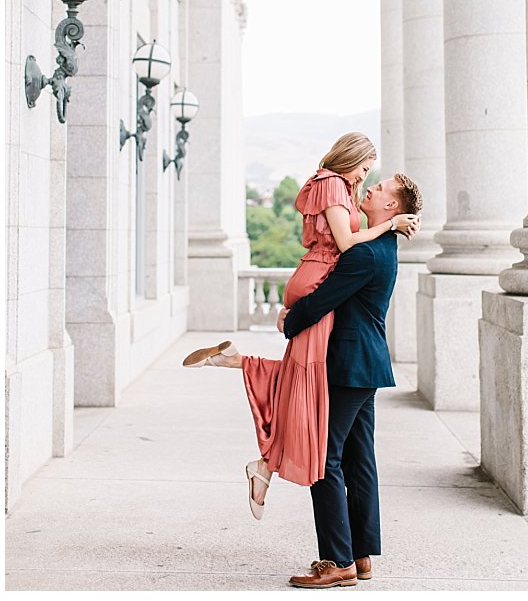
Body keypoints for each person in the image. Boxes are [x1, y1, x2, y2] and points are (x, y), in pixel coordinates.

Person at [181, 134, 418, 518]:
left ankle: (239, 377)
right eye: (363, 169)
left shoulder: (340, 193)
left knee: (300, 382)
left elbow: (346, 247)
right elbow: (345, 243)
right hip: (323, 288)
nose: (365, 179)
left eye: (372, 179)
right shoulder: (332, 187)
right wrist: (388, 225)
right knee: (303, 386)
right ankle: (266, 463)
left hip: (325, 297)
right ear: (350, 160)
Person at [282, 173, 422, 588]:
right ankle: (360, 555)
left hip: (349, 365)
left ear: (392, 207)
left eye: (380, 188)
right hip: (366, 365)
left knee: (325, 460)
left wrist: (290, 320)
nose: (372, 189)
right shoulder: (383, 244)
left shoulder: (364, 255)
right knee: (360, 461)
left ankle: (336, 561)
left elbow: (323, 300)